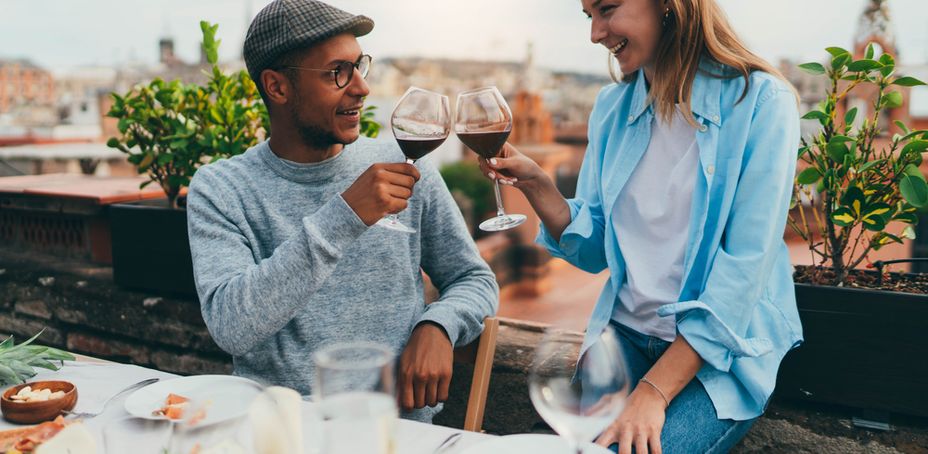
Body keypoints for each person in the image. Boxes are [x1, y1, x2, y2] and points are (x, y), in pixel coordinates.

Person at [480, 0, 803, 452]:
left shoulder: (762, 103)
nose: (595, 33)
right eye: (588, 16)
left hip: (716, 359)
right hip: (623, 338)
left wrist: (652, 392)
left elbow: (743, 272)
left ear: (669, 6)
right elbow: (594, 251)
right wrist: (538, 185)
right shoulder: (613, 106)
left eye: (607, 9)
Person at [186, 0, 498, 423]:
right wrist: (345, 216)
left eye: (359, 65)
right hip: (283, 436)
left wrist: (439, 325)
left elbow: (473, 278)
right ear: (277, 87)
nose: (362, 88)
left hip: (398, 435)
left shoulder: (405, 165)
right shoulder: (223, 188)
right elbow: (231, 326)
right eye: (338, 72)